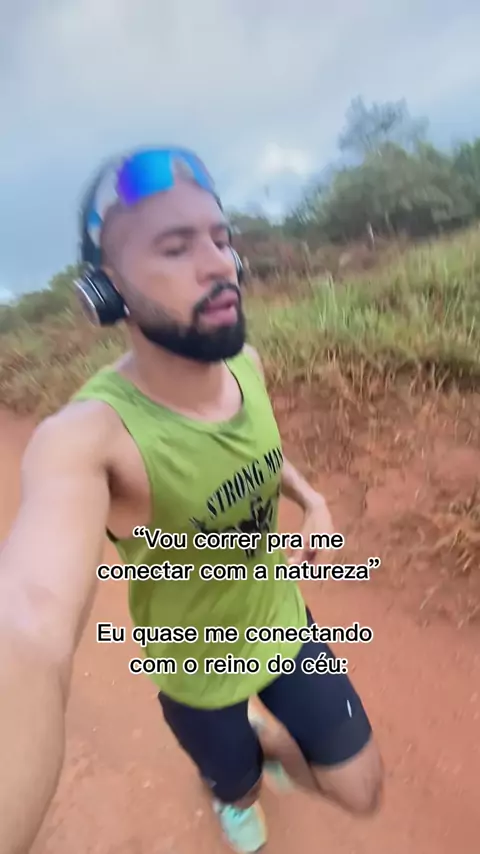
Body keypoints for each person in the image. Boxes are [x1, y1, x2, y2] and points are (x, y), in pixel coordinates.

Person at [0, 146, 383, 854]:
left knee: (360, 789)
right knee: (238, 785)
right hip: (195, 669)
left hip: (282, 623)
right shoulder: (89, 437)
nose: (221, 265)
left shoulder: (244, 364)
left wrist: (312, 498)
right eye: (176, 248)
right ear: (107, 290)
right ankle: (236, 782)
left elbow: (259, 452)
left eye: (220, 237)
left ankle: (264, 742)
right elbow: (26, 623)